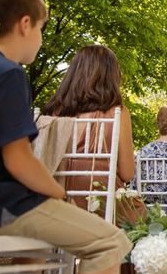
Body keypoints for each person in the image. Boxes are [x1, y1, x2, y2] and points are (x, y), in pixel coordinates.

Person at [0, 0, 131, 274]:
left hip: (15, 206)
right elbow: (18, 159)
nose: (40, 38)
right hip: (10, 204)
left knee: (39, 237)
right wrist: (59, 193)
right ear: (24, 24)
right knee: (113, 242)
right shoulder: (9, 74)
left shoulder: (52, 112)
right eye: (41, 28)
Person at [42, 45, 136, 211]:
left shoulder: (52, 116)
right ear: (111, 76)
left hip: (56, 200)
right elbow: (127, 173)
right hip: (101, 203)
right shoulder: (117, 112)